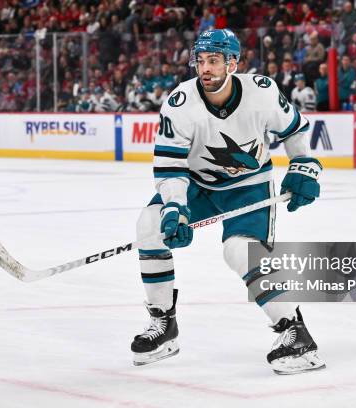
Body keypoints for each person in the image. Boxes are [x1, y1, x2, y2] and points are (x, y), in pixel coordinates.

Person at [131, 29, 324, 374]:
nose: (204, 68)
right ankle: (164, 325)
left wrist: (303, 164)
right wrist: (176, 206)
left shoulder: (262, 92)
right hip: (197, 183)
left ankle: (295, 332)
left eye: (214, 61)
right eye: (200, 61)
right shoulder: (180, 103)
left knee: (239, 250)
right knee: (149, 227)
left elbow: (293, 128)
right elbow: (170, 166)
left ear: (232, 63)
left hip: (249, 184)